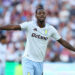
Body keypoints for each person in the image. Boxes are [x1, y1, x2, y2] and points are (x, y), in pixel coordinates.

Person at [0, 5, 75, 75]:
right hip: (28, 60)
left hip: (40, 62)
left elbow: (62, 42)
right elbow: (14, 27)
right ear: (36, 15)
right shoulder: (29, 25)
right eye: (39, 13)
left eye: (43, 13)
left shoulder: (50, 29)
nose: (41, 14)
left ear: (46, 15)